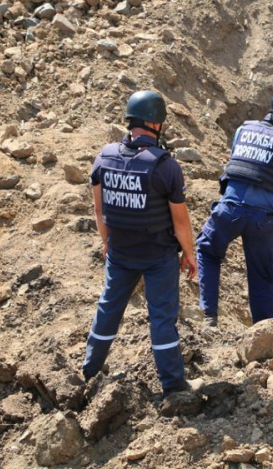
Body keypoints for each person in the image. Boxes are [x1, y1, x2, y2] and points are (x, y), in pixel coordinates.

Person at [82, 90, 197, 398]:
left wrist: (108, 244)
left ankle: (89, 369)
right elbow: (180, 221)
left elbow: (99, 209)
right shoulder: (166, 166)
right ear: (153, 123)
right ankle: (173, 384)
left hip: (120, 252)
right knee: (162, 317)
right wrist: (189, 253)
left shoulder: (103, 158)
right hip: (158, 256)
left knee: (108, 308)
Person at [196, 89, 273, 327]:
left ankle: (208, 315)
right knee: (263, 275)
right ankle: (264, 331)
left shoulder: (243, 130)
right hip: (262, 220)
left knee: (207, 251)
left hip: (229, 209)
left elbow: (243, 169)